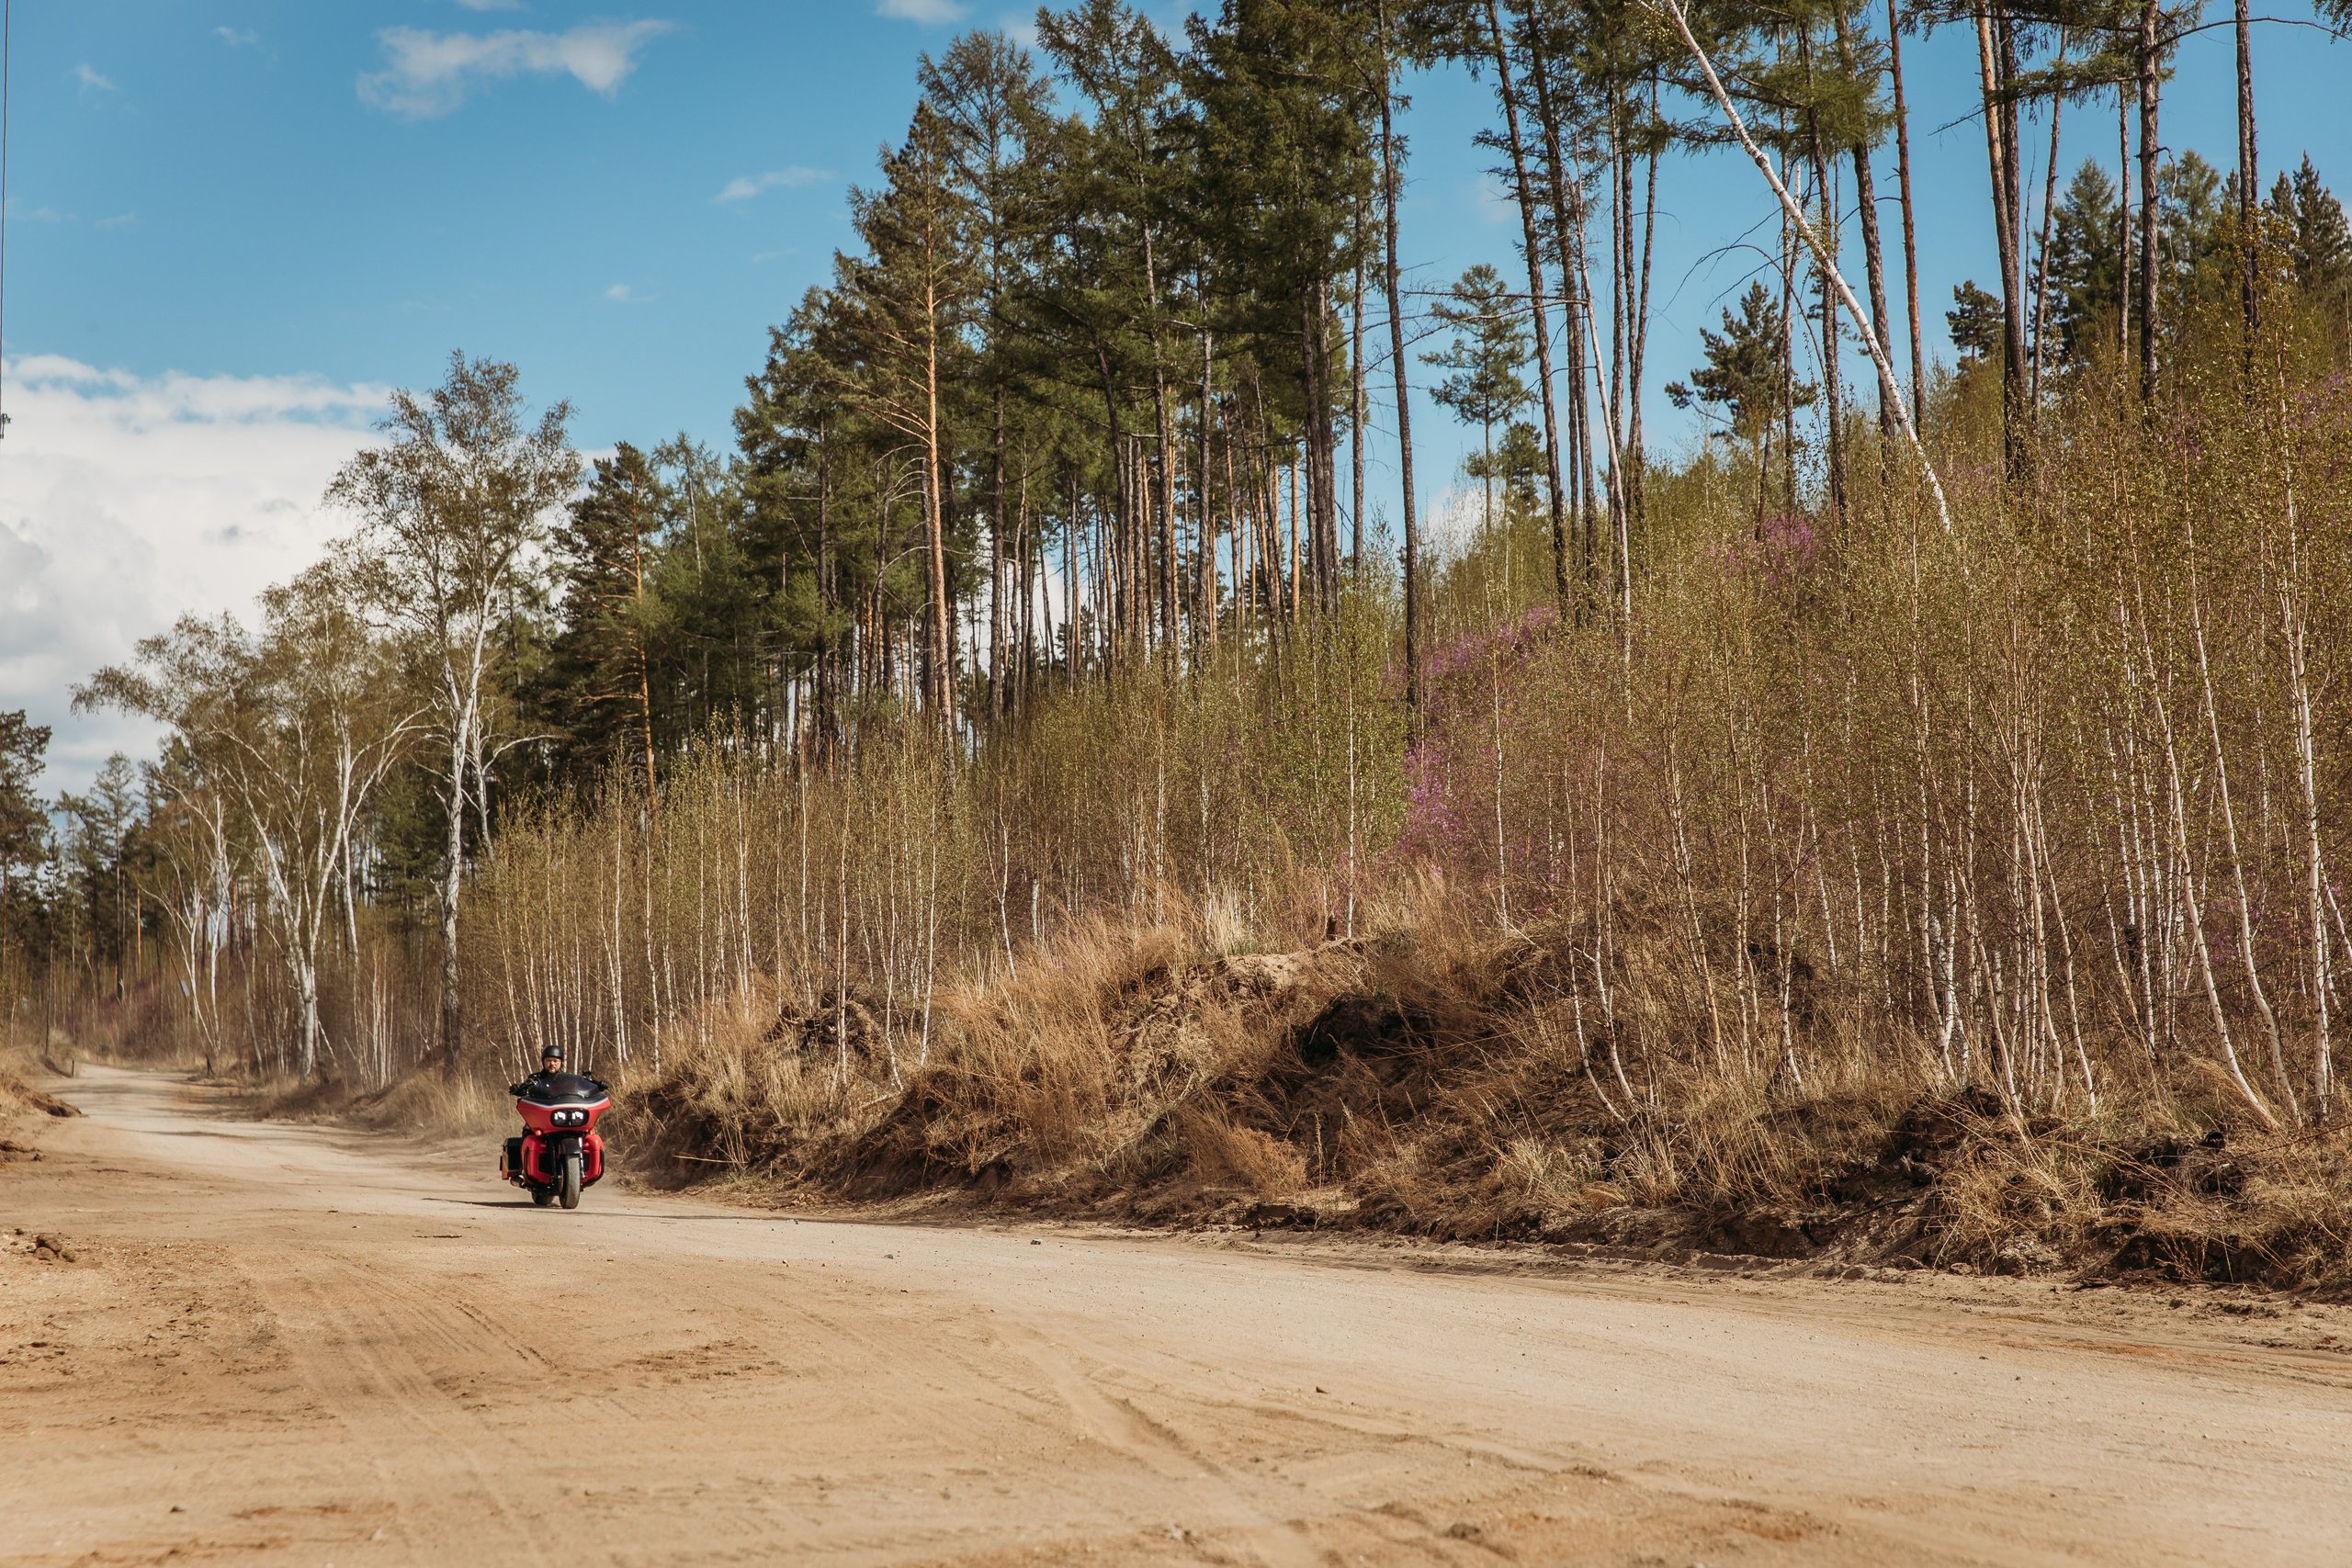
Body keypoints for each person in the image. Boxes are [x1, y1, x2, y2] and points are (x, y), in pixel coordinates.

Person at [509, 1045, 607, 1100]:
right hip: (542, 1115)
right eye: (548, 1060)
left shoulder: (568, 1079)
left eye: (555, 1061)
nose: (552, 1064)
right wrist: (518, 1089)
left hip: (564, 1113)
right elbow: (525, 1089)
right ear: (543, 1062)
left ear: (561, 1063)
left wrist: (598, 1085)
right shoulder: (536, 1079)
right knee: (529, 1132)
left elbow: (583, 1084)